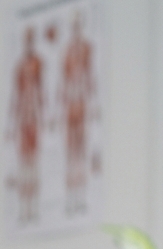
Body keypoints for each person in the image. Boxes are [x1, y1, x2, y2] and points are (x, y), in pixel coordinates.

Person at [58, 12, 97, 214]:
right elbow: (63, 83)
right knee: (70, 154)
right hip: (69, 109)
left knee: (80, 153)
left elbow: (90, 77)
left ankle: (81, 198)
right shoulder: (66, 52)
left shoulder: (86, 49)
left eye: (78, 26)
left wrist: (93, 105)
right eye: (73, 26)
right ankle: (70, 199)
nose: (76, 30)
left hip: (82, 106)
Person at [7, 26, 45, 224]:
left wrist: (43, 117)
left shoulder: (38, 63)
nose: (29, 43)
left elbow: (41, 92)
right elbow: (15, 97)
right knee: (24, 166)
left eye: (32, 39)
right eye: (26, 39)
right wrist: (11, 126)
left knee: (33, 165)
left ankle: (34, 208)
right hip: (23, 121)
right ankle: (24, 209)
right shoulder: (19, 67)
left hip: (34, 122)